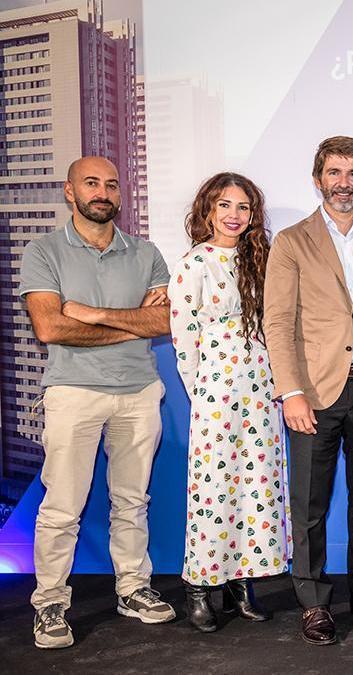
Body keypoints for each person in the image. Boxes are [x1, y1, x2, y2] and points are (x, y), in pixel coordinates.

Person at [20, 156, 177, 649]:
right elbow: (49, 327)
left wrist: (87, 314)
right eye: (91, 183)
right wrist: (129, 324)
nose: (103, 192)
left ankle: (133, 589)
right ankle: (50, 603)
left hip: (139, 392)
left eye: (111, 184)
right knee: (63, 504)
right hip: (72, 392)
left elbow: (165, 324)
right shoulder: (43, 251)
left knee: (132, 501)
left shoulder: (147, 253)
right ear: (70, 191)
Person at [263, 136, 353, 646]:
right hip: (315, 392)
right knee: (309, 504)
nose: (343, 183)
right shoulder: (291, 241)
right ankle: (314, 602)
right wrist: (290, 391)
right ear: (317, 178)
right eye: (334, 173)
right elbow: (277, 323)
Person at [168, 172, 290, 632]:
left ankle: (243, 582)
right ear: (208, 210)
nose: (234, 215)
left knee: (255, 486)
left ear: (253, 214)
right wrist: (202, 391)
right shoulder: (193, 264)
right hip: (215, 390)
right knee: (213, 489)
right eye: (225, 206)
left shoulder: (264, 260)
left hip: (261, 388)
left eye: (243, 207)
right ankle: (200, 588)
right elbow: (184, 338)